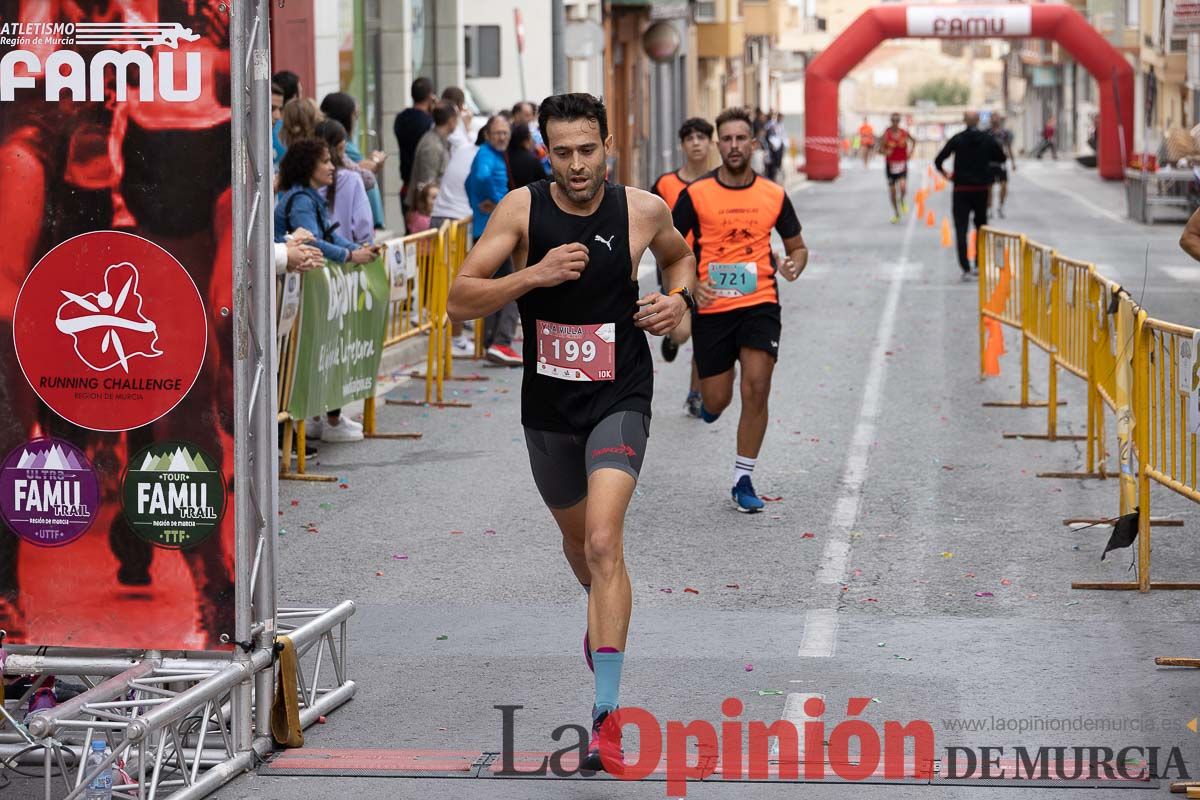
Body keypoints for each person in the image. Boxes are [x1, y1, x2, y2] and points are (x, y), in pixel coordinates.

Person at [446, 92, 697, 773]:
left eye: (588, 150)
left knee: (603, 539)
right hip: (549, 409)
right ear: (545, 152)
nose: (577, 165)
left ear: (607, 146)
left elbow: (681, 260)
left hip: (621, 394)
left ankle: (607, 718)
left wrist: (676, 300)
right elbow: (457, 299)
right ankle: (603, 616)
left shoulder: (643, 208)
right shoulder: (524, 211)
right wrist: (534, 274)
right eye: (563, 153)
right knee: (579, 545)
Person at [672, 107, 808, 513]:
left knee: (758, 385)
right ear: (719, 144)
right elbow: (669, 248)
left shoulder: (773, 194)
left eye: (740, 139)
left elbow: (797, 246)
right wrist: (690, 286)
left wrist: (793, 264)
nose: (733, 146)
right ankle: (710, 405)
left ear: (753, 143)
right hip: (713, 307)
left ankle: (742, 477)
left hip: (759, 301)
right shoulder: (695, 195)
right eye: (726, 139)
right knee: (718, 399)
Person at [275, 138, 379, 443]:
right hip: (296, 294)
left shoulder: (309, 197)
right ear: (309, 166)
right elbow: (312, 242)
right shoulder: (303, 201)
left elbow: (328, 235)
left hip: (308, 291)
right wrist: (349, 256)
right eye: (325, 161)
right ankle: (287, 439)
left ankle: (311, 425)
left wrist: (357, 250)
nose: (332, 167)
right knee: (292, 365)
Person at [651, 116, 712, 417]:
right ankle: (671, 337)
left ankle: (695, 393)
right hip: (676, 266)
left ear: (710, 143)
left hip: (711, 268)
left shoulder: (720, 182)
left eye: (702, 137)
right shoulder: (665, 184)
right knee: (683, 333)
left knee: (704, 334)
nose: (696, 143)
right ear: (682, 145)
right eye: (691, 138)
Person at [466, 115, 521, 365]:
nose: (502, 137)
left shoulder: (491, 154)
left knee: (494, 287)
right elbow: (478, 178)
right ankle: (501, 342)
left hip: (488, 230)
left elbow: (470, 183)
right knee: (514, 286)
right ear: (488, 135)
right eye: (497, 133)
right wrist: (497, 204)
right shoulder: (487, 156)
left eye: (505, 133)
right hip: (495, 233)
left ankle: (491, 342)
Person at [934, 111, 1007, 279]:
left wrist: (947, 175)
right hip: (981, 190)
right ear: (978, 121)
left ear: (964, 121)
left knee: (961, 229)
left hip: (961, 189)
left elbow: (938, 160)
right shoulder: (987, 139)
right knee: (981, 228)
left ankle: (965, 268)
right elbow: (1001, 158)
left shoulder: (957, 139)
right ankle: (979, 264)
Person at [432, 120, 480, 358]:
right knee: (456, 283)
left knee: (447, 282)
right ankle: (455, 338)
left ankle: (454, 337)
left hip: (445, 219)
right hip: (454, 224)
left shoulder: (464, 148)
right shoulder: (481, 157)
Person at [320, 92, 388, 229]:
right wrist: (375, 161)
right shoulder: (349, 175)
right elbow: (363, 171)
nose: (356, 121)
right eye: (355, 115)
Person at [315, 119, 374, 246]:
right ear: (342, 146)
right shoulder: (352, 179)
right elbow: (364, 226)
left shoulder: (309, 180)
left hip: (315, 259)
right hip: (350, 257)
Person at [407, 100, 456, 228]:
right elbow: (426, 185)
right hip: (427, 217)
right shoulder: (431, 146)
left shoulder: (441, 142)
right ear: (451, 121)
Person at [395, 77, 435, 211]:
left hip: (406, 187)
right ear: (430, 96)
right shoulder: (429, 124)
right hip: (425, 191)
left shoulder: (401, 119)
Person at [879, 113, 915, 223]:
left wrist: (910, 152)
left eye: (897, 120)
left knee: (903, 187)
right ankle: (896, 213)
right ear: (891, 121)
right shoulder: (886, 134)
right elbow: (879, 149)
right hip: (890, 166)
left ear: (899, 122)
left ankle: (902, 200)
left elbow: (914, 141)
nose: (895, 123)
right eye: (893, 120)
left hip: (902, 164)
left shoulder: (904, 133)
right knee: (893, 192)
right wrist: (886, 152)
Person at [988, 113, 1016, 218]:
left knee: (1004, 186)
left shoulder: (1004, 133)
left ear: (999, 120)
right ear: (991, 120)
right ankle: (989, 208)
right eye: (993, 118)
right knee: (989, 188)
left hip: (1001, 164)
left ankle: (1000, 206)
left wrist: (1013, 163)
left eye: (997, 118)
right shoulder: (987, 133)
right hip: (989, 164)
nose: (995, 120)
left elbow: (1008, 148)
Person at [507, 123, 549, 188]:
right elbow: (544, 181)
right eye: (530, 137)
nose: (533, 140)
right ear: (525, 141)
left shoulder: (506, 156)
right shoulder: (532, 160)